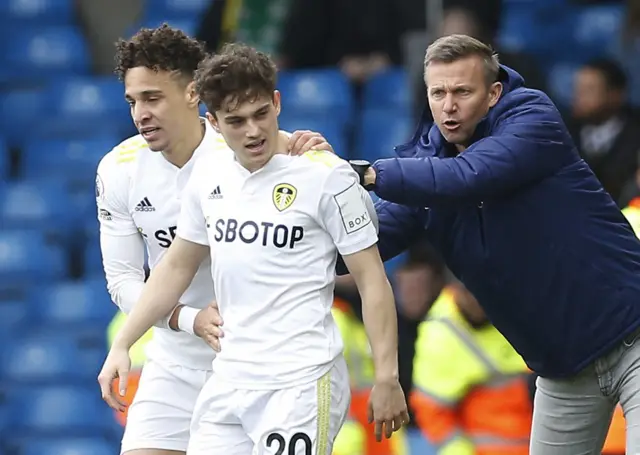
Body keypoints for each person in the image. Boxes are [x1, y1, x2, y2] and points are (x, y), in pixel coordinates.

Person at [97, 42, 409, 455]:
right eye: (237, 121)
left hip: (299, 380)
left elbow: (372, 280)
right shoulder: (208, 177)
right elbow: (173, 268)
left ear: (277, 103)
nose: (253, 130)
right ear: (216, 122)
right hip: (228, 378)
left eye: (261, 114)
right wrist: (123, 344)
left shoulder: (323, 173)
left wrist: (387, 375)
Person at [345, 34, 640, 454]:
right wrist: (303, 197)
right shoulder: (427, 167)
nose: (448, 106)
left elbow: (470, 176)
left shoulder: (532, 117)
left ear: (493, 93)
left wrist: (367, 174)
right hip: (562, 372)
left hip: (633, 335)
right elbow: (359, 246)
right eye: (438, 93)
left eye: (462, 92)